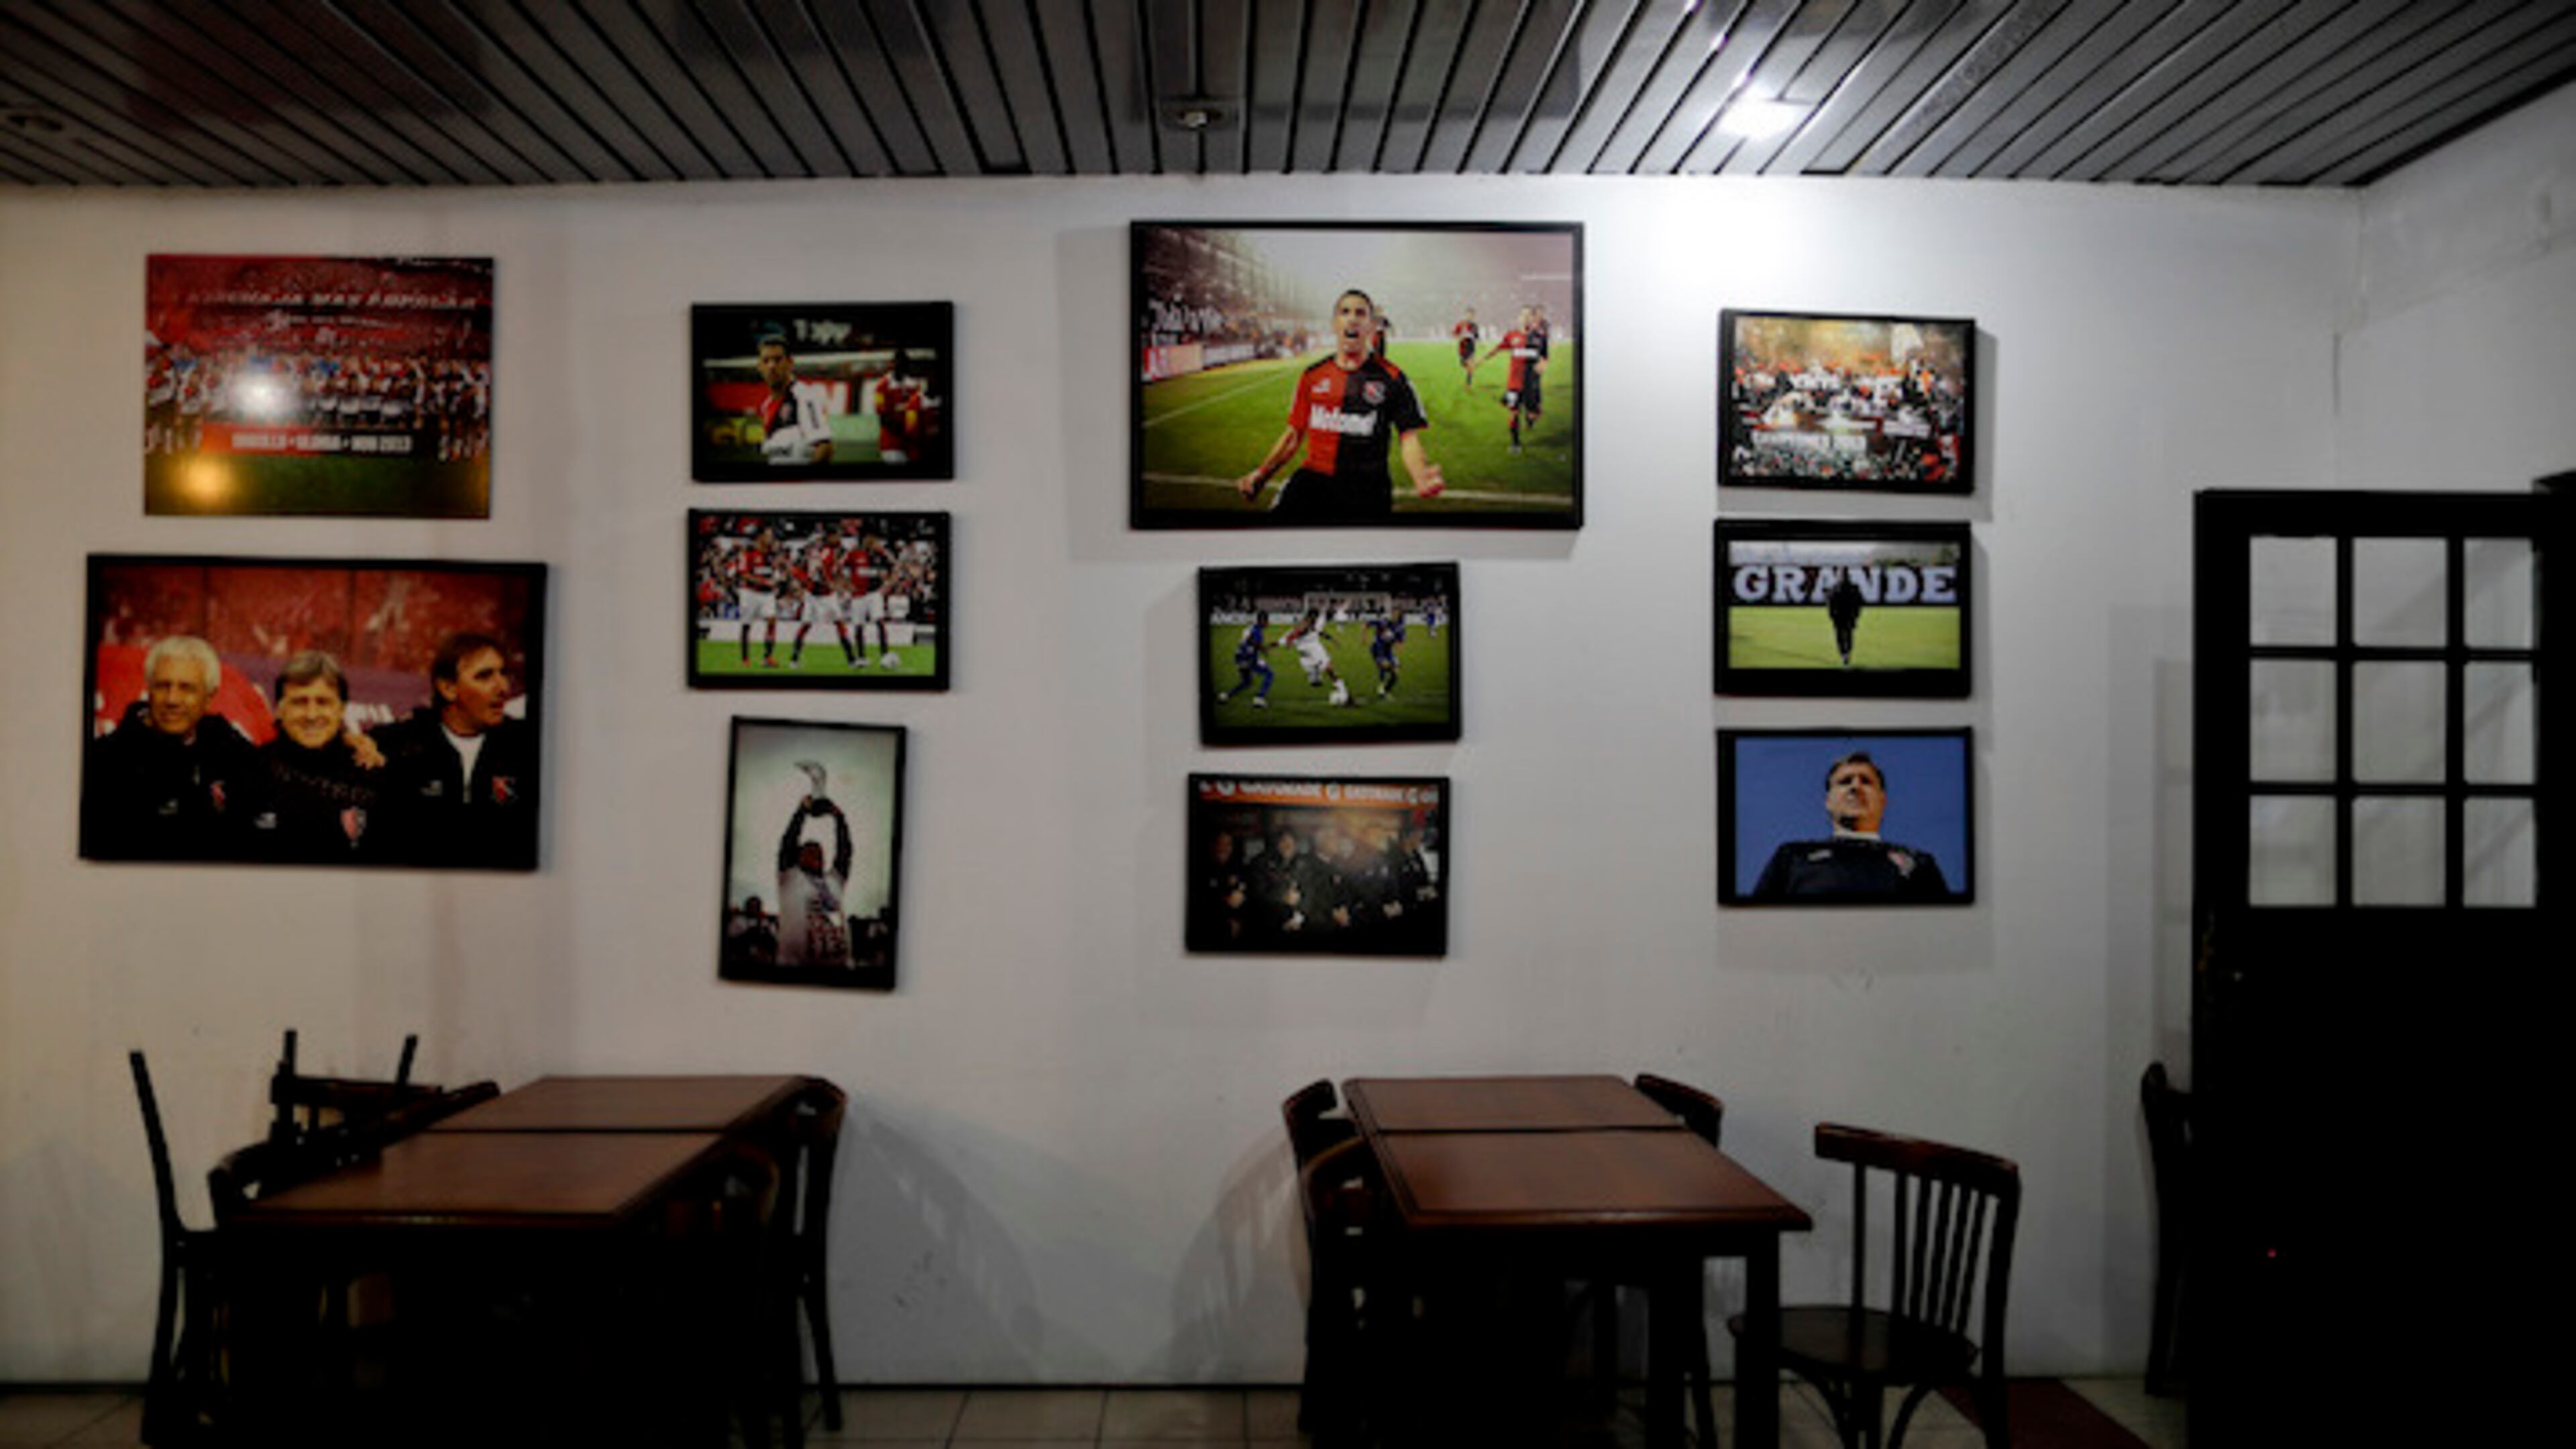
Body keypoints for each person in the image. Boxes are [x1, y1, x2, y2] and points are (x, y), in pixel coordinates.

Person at [1236, 289, 1446, 520]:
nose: (1352, 318)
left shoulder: (1394, 379)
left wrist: (1419, 473)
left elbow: (1409, 437)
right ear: (1335, 324)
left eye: (1360, 313)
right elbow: (1294, 435)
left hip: (1367, 489)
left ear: (1371, 326)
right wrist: (1263, 474)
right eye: (1345, 312)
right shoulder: (1312, 376)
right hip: (1313, 482)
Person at [81, 634, 260, 859]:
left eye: (186, 688)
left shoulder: (233, 754)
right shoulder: (104, 762)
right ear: (149, 689)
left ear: (209, 697)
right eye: (163, 686)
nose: (172, 699)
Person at [374, 631, 539, 868]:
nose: (503, 687)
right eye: (484, 676)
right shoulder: (399, 745)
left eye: (503, 673)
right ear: (448, 688)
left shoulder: (527, 745)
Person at [1750, 751, 1951, 900]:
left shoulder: (1919, 863)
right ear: (1828, 801)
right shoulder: (1792, 857)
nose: (1855, 787)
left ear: (1883, 800)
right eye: (1845, 782)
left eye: (1866, 781)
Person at [246, 650, 383, 861]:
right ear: (280, 710)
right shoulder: (248, 771)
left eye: (323, 702)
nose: (311, 715)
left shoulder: (371, 770)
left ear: (342, 709)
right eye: (300, 702)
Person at [775, 793, 855, 969]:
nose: (817, 853)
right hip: (796, 970)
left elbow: (845, 851)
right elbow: (788, 842)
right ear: (798, 858)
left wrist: (839, 817)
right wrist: (801, 811)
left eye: (819, 852)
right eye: (809, 851)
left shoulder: (835, 880)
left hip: (841, 970)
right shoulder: (790, 877)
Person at [1468, 307, 1545, 453]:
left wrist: (1541, 365)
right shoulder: (1512, 336)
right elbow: (1496, 349)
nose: (1525, 318)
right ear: (1519, 318)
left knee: (1535, 413)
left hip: (1531, 383)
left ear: (1532, 319)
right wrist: (1478, 361)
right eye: (1523, 315)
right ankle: (1515, 443)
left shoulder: (1538, 337)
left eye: (1529, 316)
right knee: (1514, 412)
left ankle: (1531, 417)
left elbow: (1543, 356)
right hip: (1514, 383)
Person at [753, 332, 835, 466]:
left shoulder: (804, 396)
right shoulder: (766, 406)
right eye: (766, 361)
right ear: (760, 367)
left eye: (778, 360)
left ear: (790, 363)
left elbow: (825, 448)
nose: (771, 367)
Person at [1283, 609, 1349, 706]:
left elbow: (1320, 632)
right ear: (1311, 617)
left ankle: (1342, 690)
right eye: (1314, 617)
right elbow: (1297, 632)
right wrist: (1290, 639)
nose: (1316, 619)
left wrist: (1333, 640)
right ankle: (1316, 675)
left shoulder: (1315, 623)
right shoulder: (1305, 625)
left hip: (1316, 648)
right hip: (1309, 649)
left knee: (1329, 668)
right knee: (1327, 669)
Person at [1216, 614, 1275, 708]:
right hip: (1248, 657)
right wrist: (1262, 649)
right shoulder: (1258, 632)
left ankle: (1226, 695)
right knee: (1269, 673)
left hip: (1239, 657)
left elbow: (1248, 641)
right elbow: (1251, 642)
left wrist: (1260, 648)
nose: (1269, 623)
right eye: (1267, 621)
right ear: (1263, 621)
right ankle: (1259, 698)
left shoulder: (1251, 628)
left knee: (1247, 682)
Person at [1826, 570, 1865, 666]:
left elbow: (1830, 603)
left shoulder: (1835, 588)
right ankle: (1847, 652)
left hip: (1839, 616)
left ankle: (1844, 653)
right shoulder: (1854, 588)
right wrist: (1856, 615)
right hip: (1849, 616)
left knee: (1840, 636)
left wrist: (1831, 615)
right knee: (1849, 634)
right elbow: (1859, 603)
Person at [1367, 613, 1407, 698]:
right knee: (1383, 666)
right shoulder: (1383, 622)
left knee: (1396, 675)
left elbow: (1400, 643)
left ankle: (1385, 690)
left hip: (1388, 652)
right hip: (1377, 650)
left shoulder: (1400, 630)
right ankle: (1381, 686)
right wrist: (1364, 636)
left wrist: (1396, 658)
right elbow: (1366, 624)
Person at [1451, 307, 1479, 388]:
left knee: (1471, 365)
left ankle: (1469, 384)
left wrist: (1478, 341)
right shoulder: (1461, 324)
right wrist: (1460, 337)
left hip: (1471, 346)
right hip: (1463, 347)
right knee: (1464, 363)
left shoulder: (1474, 326)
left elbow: (1476, 337)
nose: (1470, 316)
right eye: (1469, 314)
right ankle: (1466, 365)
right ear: (1466, 315)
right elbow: (1455, 334)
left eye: (1472, 315)